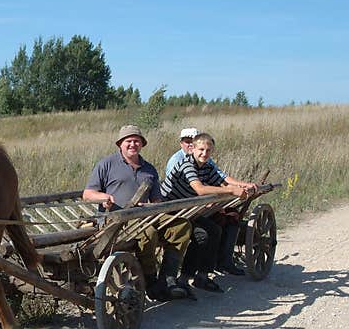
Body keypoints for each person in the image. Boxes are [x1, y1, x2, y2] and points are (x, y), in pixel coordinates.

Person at [83, 125, 193, 301]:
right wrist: (103, 197)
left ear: (142, 144)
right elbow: (87, 194)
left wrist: (149, 207)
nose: (133, 144)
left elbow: (158, 202)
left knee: (182, 226)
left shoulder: (149, 169)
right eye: (128, 141)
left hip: (145, 215)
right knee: (148, 233)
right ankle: (150, 281)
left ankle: (167, 278)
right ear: (120, 144)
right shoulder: (106, 164)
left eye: (137, 141)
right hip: (117, 219)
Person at [161, 132, 256, 292]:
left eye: (208, 150)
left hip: (186, 211)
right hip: (168, 211)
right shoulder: (187, 164)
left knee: (214, 230)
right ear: (192, 149)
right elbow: (200, 189)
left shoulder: (206, 167)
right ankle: (183, 278)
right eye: (201, 150)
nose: (204, 153)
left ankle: (202, 277)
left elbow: (222, 181)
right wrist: (232, 191)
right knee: (202, 234)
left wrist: (243, 186)